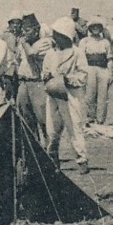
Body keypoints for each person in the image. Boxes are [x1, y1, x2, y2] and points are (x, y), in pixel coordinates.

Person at [41, 18, 90, 168]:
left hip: (71, 94)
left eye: (59, 35)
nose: (56, 38)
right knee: (52, 127)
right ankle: (53, 156)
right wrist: (47, 77)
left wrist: (68, 79)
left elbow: (83, 75)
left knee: (74, 126)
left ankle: (82, 159)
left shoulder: (77, 53)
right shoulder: (51, 53)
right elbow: (45, 71)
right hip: (53, 93)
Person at [10, 14, 48, 136]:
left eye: (27, 30)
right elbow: (17, 62)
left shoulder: (44, 42)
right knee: (26, 119)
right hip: (24, 83)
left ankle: (50, 151)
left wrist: (24, 42)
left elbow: (31, 54)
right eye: (23, 30)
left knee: (43, 119)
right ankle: (33, 151)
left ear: (36, 30)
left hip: (37, 83)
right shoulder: (23, 45)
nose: (24, 33)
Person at [77, 17, 113, 126]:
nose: (95, 29)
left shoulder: (105, 42)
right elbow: (81, 58)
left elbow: (110, 59)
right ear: (89, 28)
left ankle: (100, 120)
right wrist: (83, 72)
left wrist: (110, 73)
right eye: (93, 27)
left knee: (103, 96)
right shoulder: (85, 41)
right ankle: (90, 118)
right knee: (90, 94)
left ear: (101, 28)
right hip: (89, 69)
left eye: (98, 27)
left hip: (103, 69)